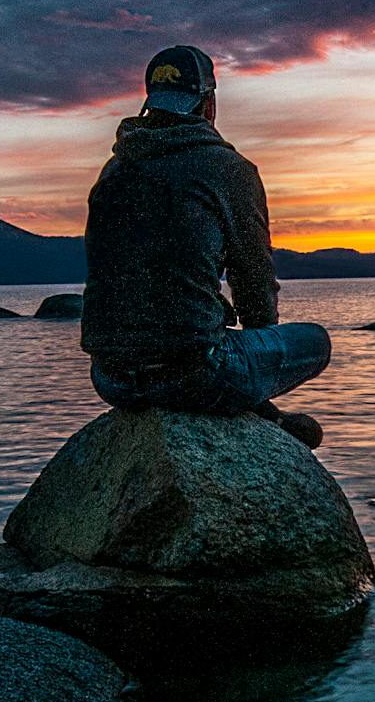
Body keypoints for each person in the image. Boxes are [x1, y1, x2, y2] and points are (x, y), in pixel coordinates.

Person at [81, 44, 330, 449]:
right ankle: (259, 411)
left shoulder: (112, 171)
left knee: (204, 330)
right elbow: (253, 281)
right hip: (194, 375)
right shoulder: (227, 169)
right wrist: (255, 373)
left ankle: (253, 406)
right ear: (208, 104)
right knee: (316, 341)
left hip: (111, 379)